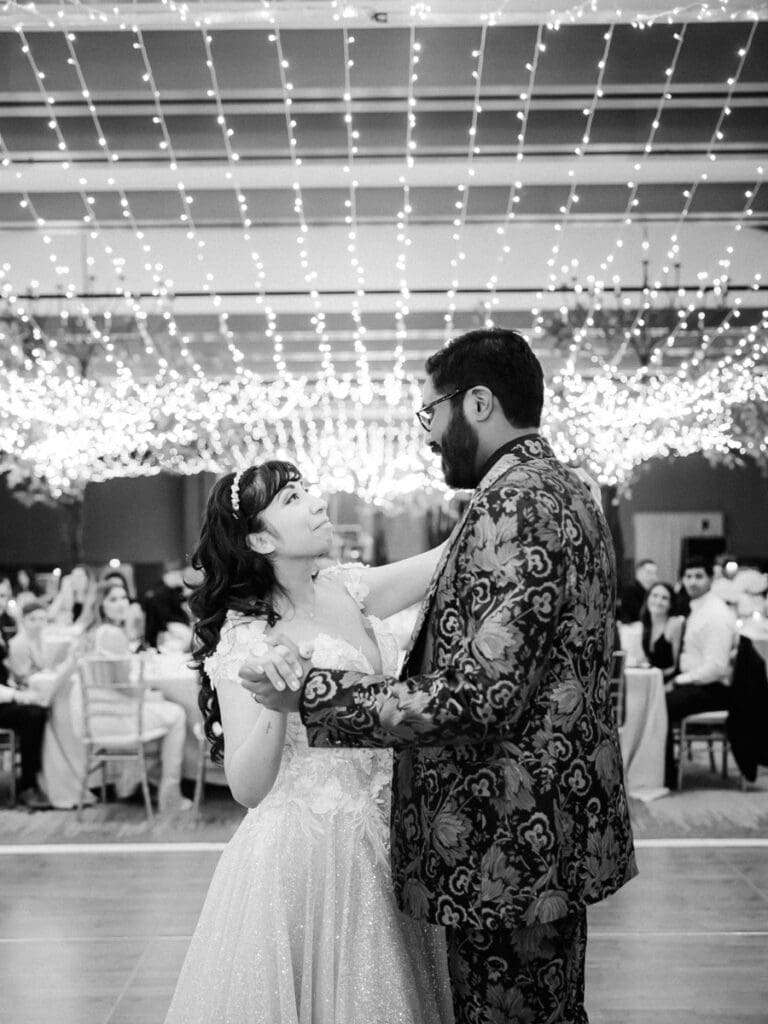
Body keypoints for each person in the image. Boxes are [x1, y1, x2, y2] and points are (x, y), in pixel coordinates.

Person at [242, 328, 637, 1024]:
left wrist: (313, 693)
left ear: (477, 404)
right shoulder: (572, 491)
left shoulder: (513, 503)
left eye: (433, 413)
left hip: (507, 843)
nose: (430, 435)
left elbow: (479, 696)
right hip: (548, 831)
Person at [164, 462, 453, 1024]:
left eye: (309, 492)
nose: (318, 504)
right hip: (309, 853)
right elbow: (247, 788)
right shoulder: (249, 636)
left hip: (391, 833)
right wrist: (277, 704)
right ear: (261, 538)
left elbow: (443, 558)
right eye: (295, 499)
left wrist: (507, 492)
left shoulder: (348, 586)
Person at [78, 581, 190, 813]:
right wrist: (149, 695)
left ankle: (132, 781)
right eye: (113, 599)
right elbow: (123, 687)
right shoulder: (112, 634)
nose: (121, 604)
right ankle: (170, 795)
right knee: (177, 714)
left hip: (94, 718)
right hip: (116, 718)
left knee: (163, 708)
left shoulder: (93, 633)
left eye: (123, 598)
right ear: (101, 605)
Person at [664, 558, 736, 790]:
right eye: (688, 576)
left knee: (661, 705)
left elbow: (716, 668)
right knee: (654, 698)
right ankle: (658, 769)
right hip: (698, 684)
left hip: (714, 689)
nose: (692, 582)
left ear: (710, 579)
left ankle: (667, 774)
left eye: (698, 576)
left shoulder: (715, 614)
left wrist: (678, 681)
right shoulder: (697, 608)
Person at [0, 584, 50, 808]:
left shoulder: (3, 626)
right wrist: (18, 696)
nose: (2, 601)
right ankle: (28, 784)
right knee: (33, 715)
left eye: (3, 596)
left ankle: (41, 778)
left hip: (4, 693)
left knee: (40, 710)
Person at [640, 582, 685, 682]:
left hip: (669, 681)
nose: (658, 601)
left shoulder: (674, 623)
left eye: (664, 598)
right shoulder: (646, 624)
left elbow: (676, 666)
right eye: (655, 596)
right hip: (651, 678)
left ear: (671, 604)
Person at [142, 562, 192, 649]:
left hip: (172, 627)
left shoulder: (174, 591)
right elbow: (156, 618)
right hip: (166, 629)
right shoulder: (159, 593)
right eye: (178, 575)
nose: (180, 578)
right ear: (169, 574)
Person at [48, 564, 97, 630]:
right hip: (70, 633)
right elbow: (51, 614)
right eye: (73, 576)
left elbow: (87, 619)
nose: (75, 580)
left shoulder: (94, 596)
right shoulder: (68, 595)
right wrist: (63, 591)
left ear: (88, 578)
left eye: (79, 576)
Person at [618, 558, 658, 624]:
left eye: (655, 573)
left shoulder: (655, 592)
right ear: (638, 573)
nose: (653, 577)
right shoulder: (629, 591)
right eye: (649, 573)